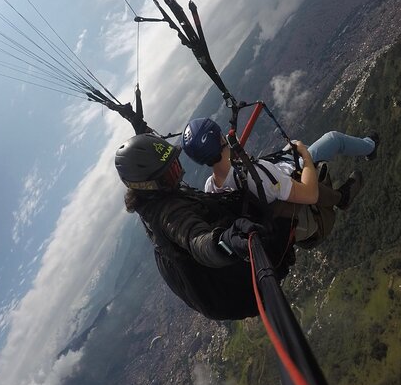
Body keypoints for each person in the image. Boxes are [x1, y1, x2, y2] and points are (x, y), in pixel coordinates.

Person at [115, 132, 297, 320]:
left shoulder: (154, 198)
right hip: (238, 289)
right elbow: (196, 240)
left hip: (223, 290)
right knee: (287, 206)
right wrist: (226, 242)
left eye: (176, 166)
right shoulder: (168, 215)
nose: (178, 175)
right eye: (170, 174)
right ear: (149, 185)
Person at [181, 118, 378, 245]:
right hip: (296, 187)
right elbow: (310, 194)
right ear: (222, 140)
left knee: (291, 148)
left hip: (278, 192)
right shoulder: (256, 175)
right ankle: (370, 147)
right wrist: (306, 158)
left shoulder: (212, 187)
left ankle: (339, 194)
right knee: (333, 139)